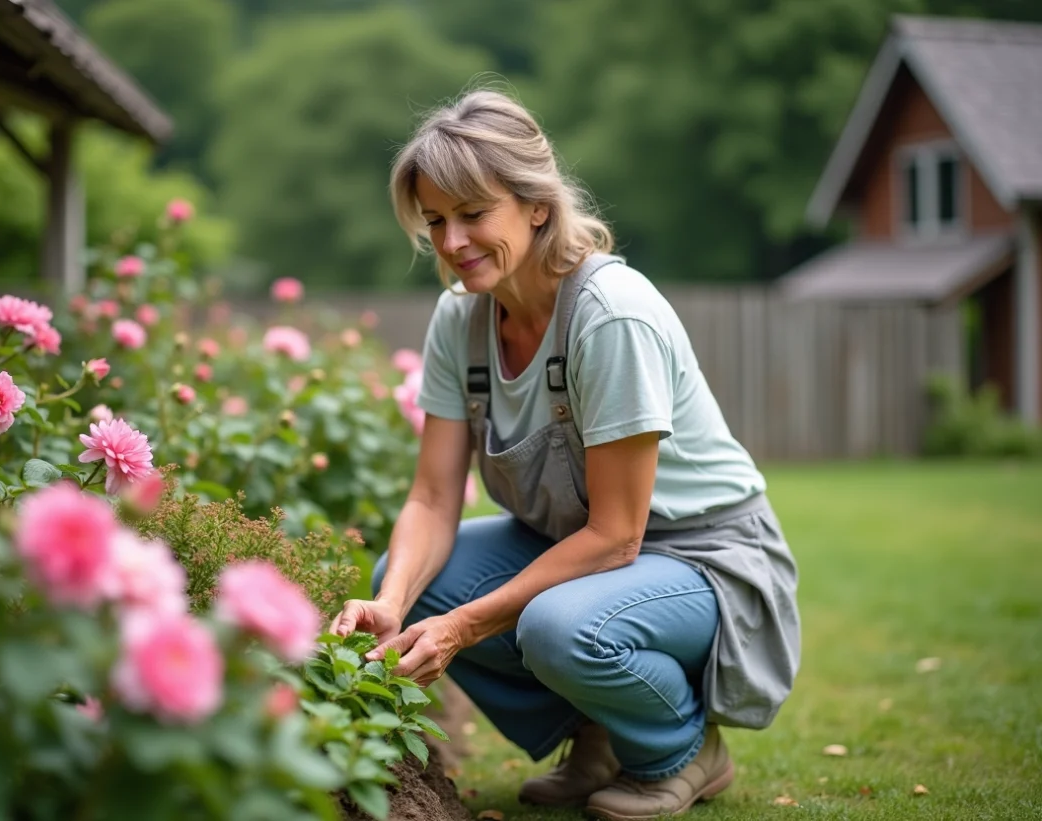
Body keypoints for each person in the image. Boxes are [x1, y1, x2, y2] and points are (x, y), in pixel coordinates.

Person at [329, 87, 800, 821]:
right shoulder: (461, 319)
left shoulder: (610, 316)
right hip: (580, 549)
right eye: (436, 221)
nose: (452, 242)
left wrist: (462, 626)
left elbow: (618, 534)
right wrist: (391, 606)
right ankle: (598, 739)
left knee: (556, 625)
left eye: (474, 213)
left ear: (537, 206)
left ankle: (681, 751)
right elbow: (431, 497)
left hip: (706, 556)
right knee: (408, 576)